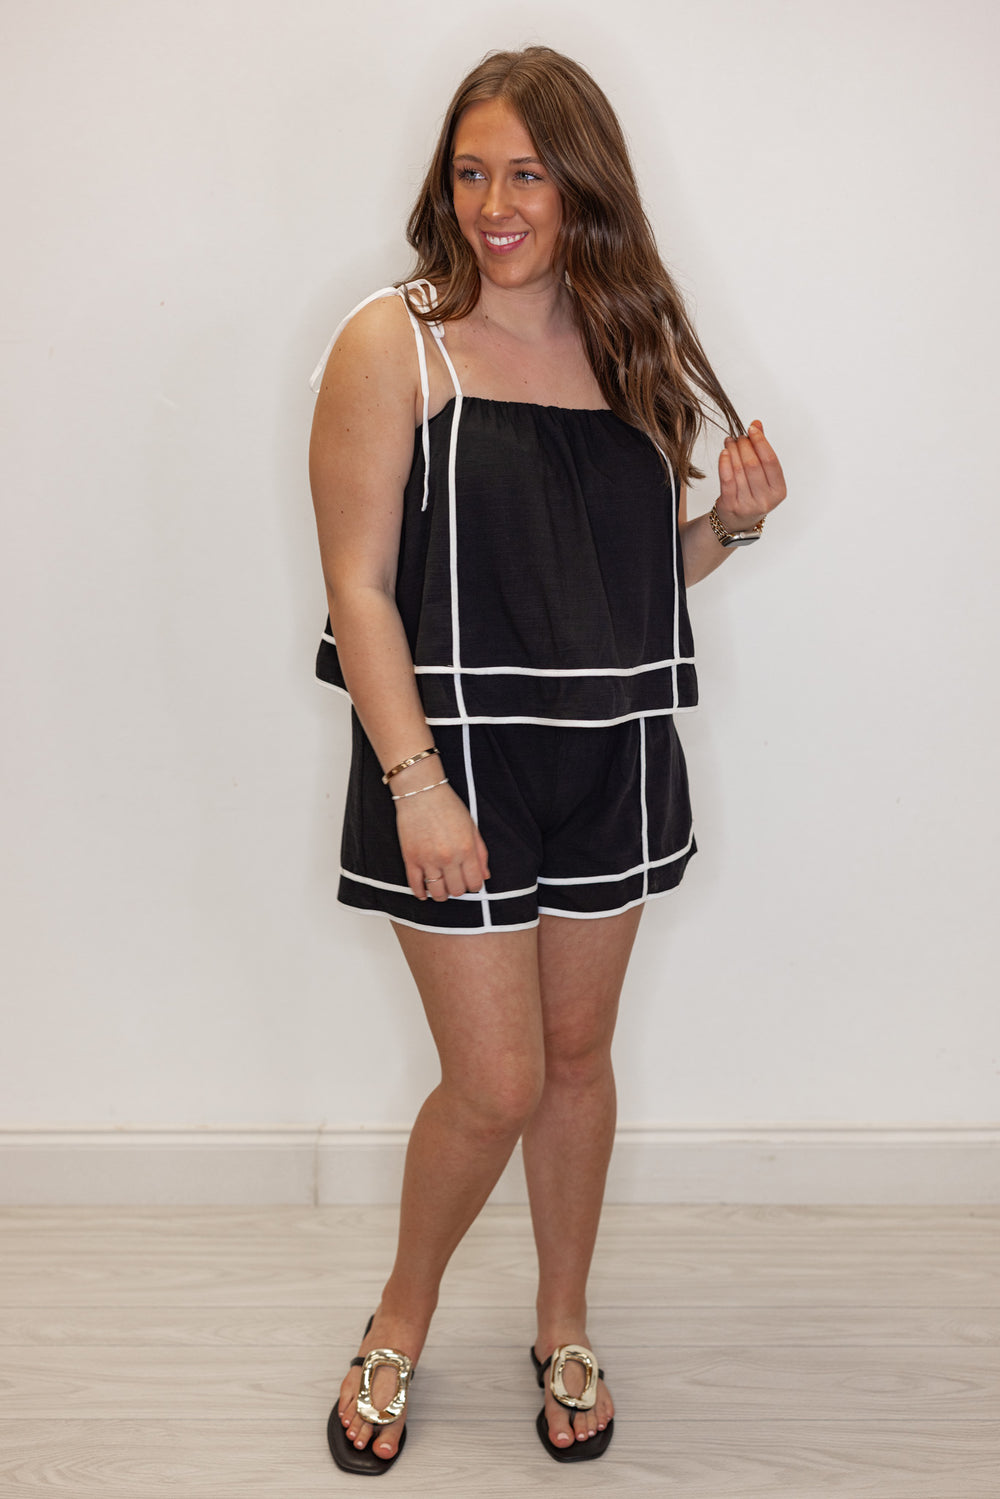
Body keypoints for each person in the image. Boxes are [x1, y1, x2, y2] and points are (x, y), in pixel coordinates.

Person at [308, 45, 786, 1473]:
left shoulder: (630, 348)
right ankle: (398, 1321)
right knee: (496, 1082)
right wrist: (416, 786)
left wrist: (729, 528)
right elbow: (359, 590)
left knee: (578, 1060)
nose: (495, 205)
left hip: (613, 758)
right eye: (472, 173)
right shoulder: (394, 343)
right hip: (452, 762)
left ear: (583, 185)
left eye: (525, 174)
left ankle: (562, 1320)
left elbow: (618, 587)